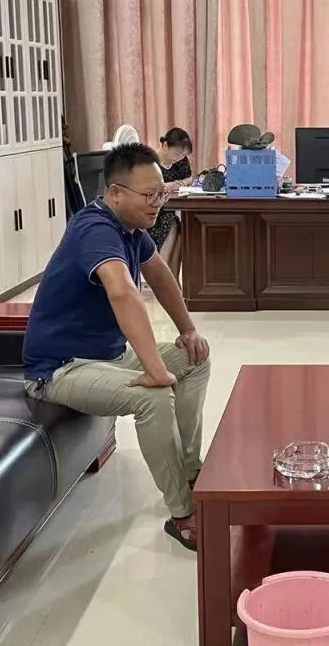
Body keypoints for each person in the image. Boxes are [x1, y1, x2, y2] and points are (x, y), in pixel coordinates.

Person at [22, 142, 212, 551]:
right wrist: (154, 369)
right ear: (115, 193)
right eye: (149, 195)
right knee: (153, 396)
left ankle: (191, 472)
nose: (157, 203)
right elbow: (123, 292)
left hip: (108, 357)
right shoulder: (95, 229)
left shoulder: (132, 231)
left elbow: (160, 277)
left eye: (161, 194)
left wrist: (189, 330)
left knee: (195, 357)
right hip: (61, 368)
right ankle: (182, 514)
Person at [150, 128, 194, 278]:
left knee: (182, 231)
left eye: (183, 155)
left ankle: (173, 279)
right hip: (152, 212)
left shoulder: (180, 161)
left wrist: (181, 183)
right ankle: (160, 276)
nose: (180, 158)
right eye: (178, 153)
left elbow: (189, 178)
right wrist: (164, 186)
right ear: (165, 146)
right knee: (172, 224)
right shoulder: (150, 161)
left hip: (168, 209)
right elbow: (143, 186)